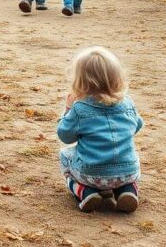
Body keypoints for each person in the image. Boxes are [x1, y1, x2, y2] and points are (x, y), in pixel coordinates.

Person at [59, 47, 143, 213]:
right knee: (124, 169)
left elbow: (65, 136)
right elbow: (137, 125)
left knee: (65, 154)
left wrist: (68, 109)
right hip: (127, 172)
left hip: (90, 174)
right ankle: (128, 190)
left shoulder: (80, 109)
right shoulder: (127, 103)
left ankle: (85, 191)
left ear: (79, 81)